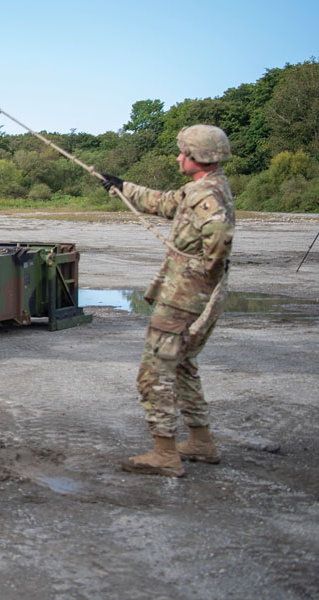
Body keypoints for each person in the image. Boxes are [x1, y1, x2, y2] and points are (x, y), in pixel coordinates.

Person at [98, 124, 235, 477]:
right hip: (194, 296)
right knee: (184, 365)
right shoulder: (203, 188)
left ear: (198, 157)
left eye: (182, 153)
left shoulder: (207, 197)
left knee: (154, 373)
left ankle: (165, 454)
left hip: (183, 299)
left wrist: (199, 271)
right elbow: (165, 203)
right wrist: (122, 187)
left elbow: (218, 239)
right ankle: (202, 443)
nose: (178, 157)